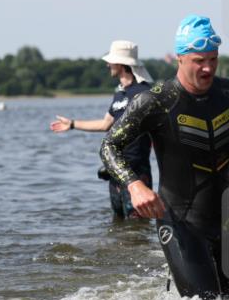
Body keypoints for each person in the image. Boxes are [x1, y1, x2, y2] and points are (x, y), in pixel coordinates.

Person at [100, 15, 229, 300]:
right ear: (180, 58)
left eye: (213, 59)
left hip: (225, 221)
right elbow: (109, 147)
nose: (208, 67)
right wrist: (135, 185)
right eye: (199, 60)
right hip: (179, 220)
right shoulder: (155, 101)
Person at [51, 40, 154, 219]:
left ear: (121, 64)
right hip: (115, 169)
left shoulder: (144, 93)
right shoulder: (120, 93)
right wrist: (73, 124)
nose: (108, 65)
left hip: (136, 172)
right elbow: (105, 124)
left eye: (111, 61)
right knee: (118, 222)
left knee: (138, 225)